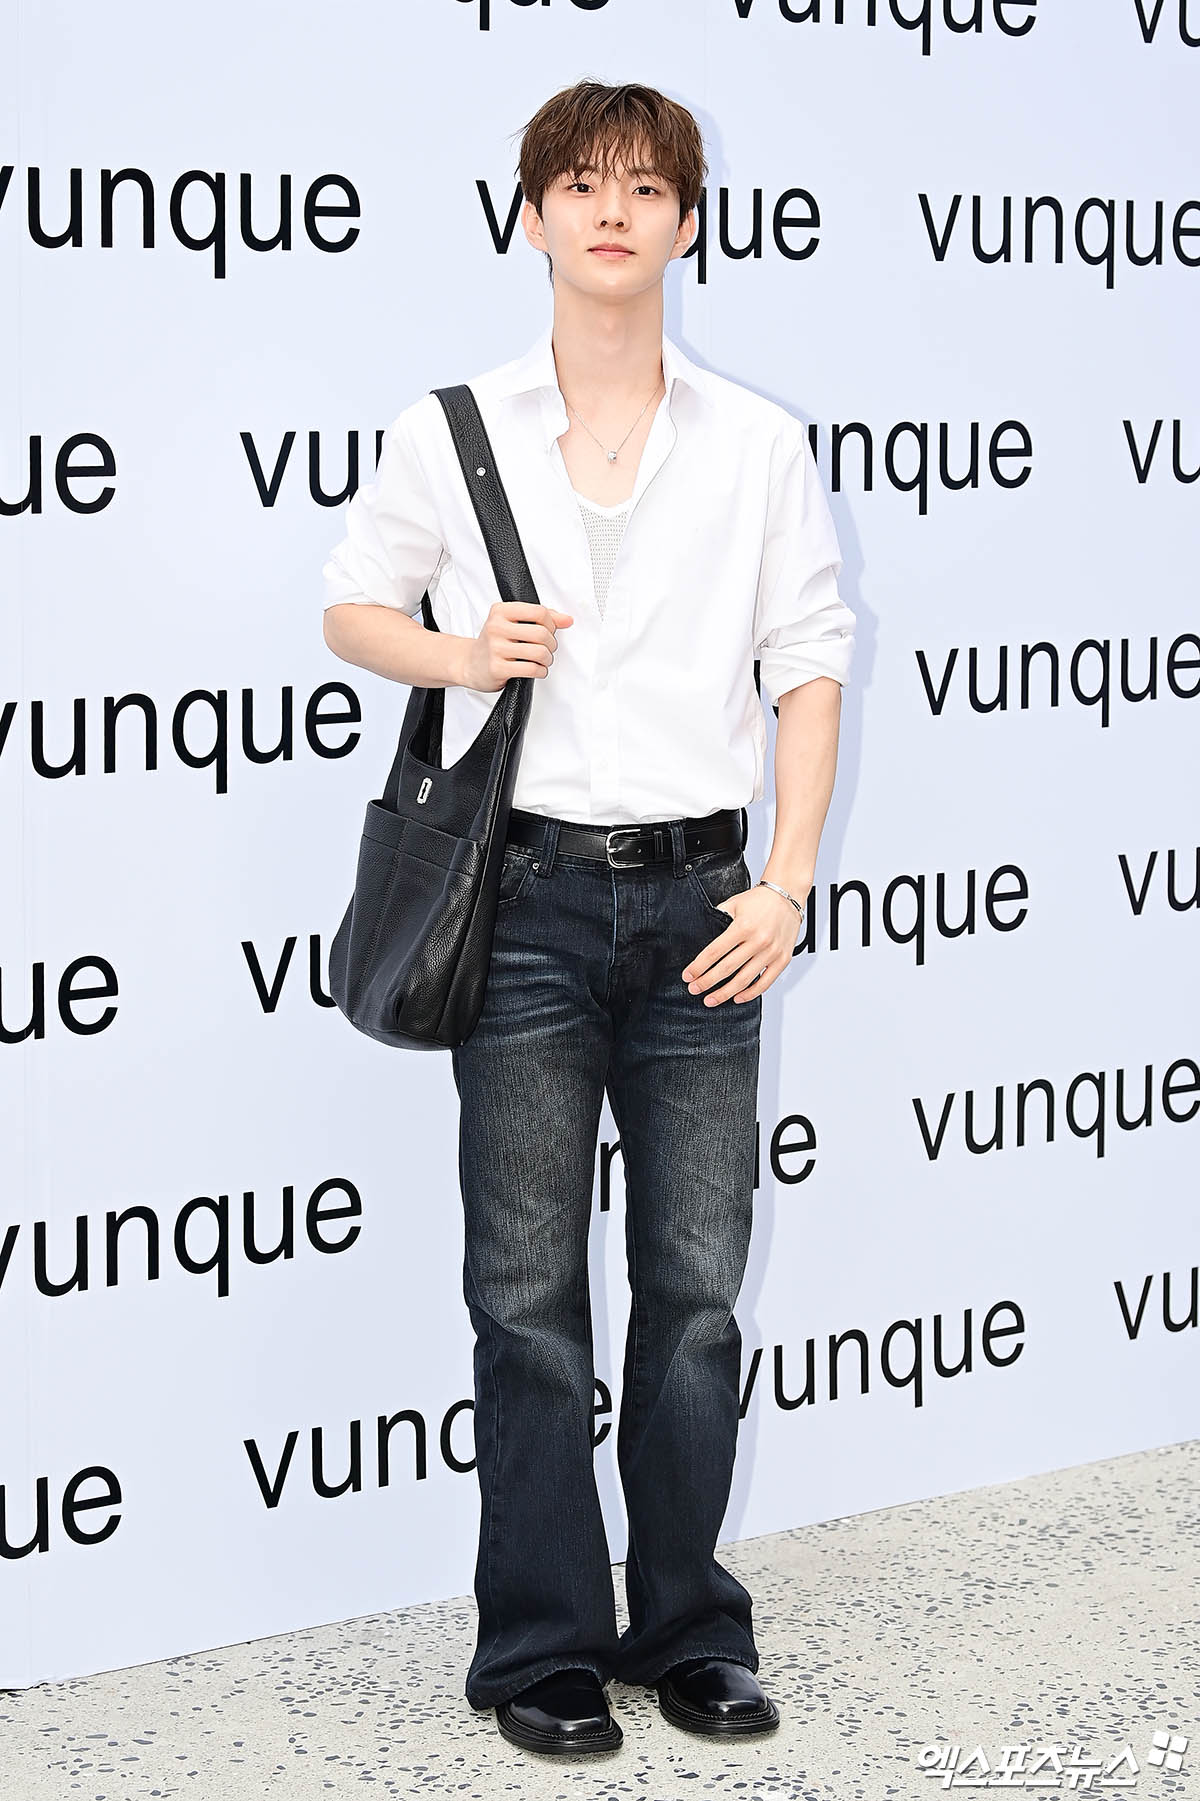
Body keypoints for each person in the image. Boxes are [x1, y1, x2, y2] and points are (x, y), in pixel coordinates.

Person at [321, 79, 856, 1759]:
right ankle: (542, 1646)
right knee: (527, 1295)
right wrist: (460, 652)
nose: (612, 210)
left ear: (688, 221)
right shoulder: (454, 427)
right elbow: (350, 606)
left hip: (707, 902)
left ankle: (689, 1626)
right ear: (533, 215)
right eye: (579, 182)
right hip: (528, 902)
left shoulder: (756, 442)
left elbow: (812, 664)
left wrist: (787, 879)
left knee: (694, 1292)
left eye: (643, 186)